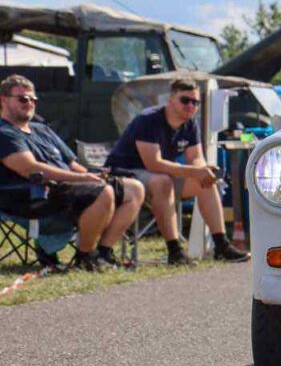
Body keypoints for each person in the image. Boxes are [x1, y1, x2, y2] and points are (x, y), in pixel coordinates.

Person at [0, 74, 144, 271]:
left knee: (134, 189)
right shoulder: (4, 133)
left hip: (67, 190)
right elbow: (29, 168)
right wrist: (83, 179)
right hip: (32, 197)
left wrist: (94, 176)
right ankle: (85, 257)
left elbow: (72, 164)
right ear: (4, 100)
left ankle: (103, 253)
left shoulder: (42, 129)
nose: (30, 103)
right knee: (103, 192)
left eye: (33, 99)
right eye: (23, 99)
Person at [105, 78, 251, 264]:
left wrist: (203, 170)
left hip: (155, 177)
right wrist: (194, 171)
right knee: (163, 182)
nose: (190, 106)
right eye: (185, 100)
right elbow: (153, 164)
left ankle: (221, 245)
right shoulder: (148, 120)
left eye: (195, 102)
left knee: (205, 183)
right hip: (124, 173)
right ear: (170, 99)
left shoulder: (190, 124)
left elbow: (196, 157)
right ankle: (175, 251)